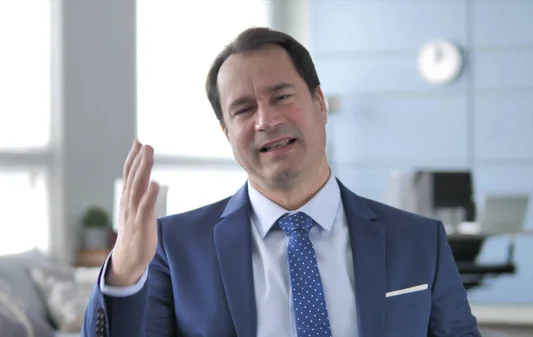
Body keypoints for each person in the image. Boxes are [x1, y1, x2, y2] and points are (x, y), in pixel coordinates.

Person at [82, 27, 481, 337]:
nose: (265, 120)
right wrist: (123, 276)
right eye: (243, 109)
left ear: (320, 104)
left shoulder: (419, 241)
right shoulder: (174, 247)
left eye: (281, 96)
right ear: (226, 133)